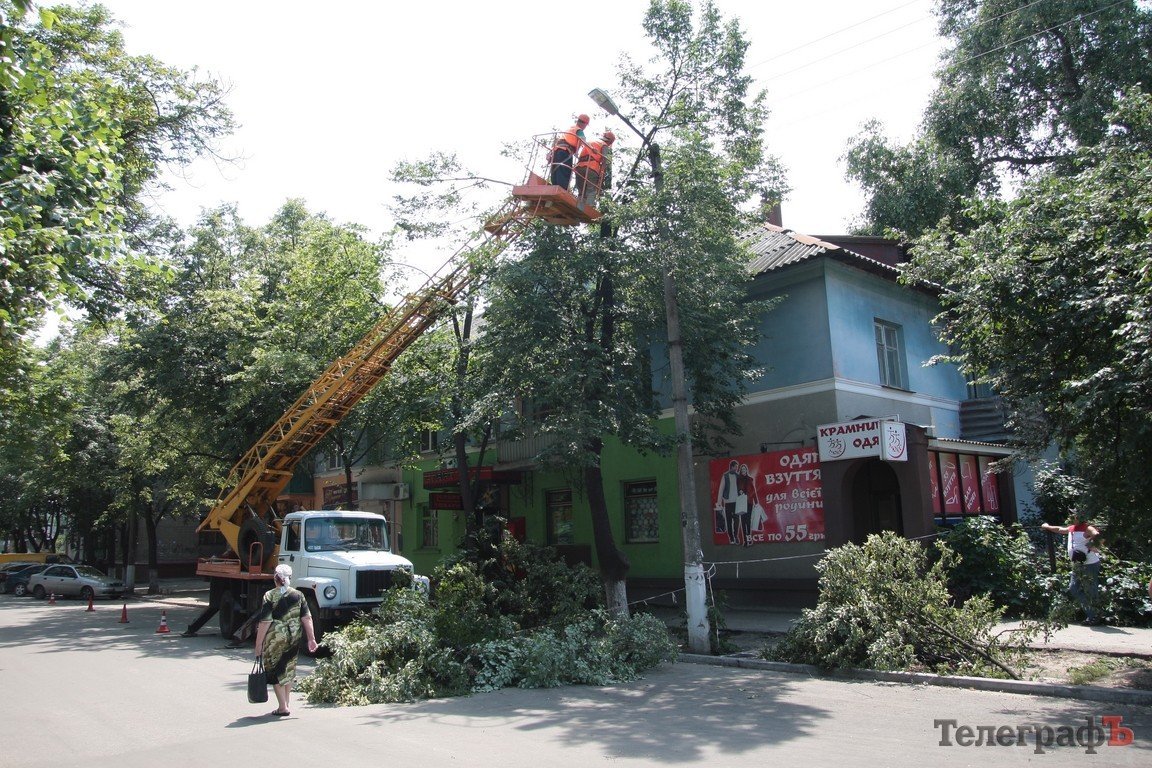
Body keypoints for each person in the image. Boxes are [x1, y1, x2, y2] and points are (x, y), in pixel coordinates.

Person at [253, 564, 319, 716]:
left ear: (275, 578)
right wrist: (311, 638)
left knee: (275, 669)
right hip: (294, 636)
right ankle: (286, 703)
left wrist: (258, 644)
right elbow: (307, 617)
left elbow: (265, 622)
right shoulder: (298, 595)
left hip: (275, 638)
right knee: (288, 668)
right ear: (289, 577)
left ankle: (283, 706)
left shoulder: (269, 596)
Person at [1041, 510, 1104, 625]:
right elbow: (1060, 529)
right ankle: (1093, 612)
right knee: (1073, 589)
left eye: (1073, 515)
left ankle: (1094, 616)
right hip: (1078, 564)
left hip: (1090, 564)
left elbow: (1097, 536)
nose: (1071, 517)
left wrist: (1092, 545)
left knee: (1091, 590)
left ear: (1079, 517)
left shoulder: (1087, 528)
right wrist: (1047, 527)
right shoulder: (1072, 528)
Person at [574, 130, 614, 209]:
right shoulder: (604, 145)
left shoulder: (592, 142)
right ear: (610, 141)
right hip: (591, 168)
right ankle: (589, 209)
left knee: (581, 192)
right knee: (591, 190)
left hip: (579, 167)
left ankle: (578, 208)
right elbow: (604, 160)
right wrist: (601, 176)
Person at [549, 113, 589, 190]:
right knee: (565, 172)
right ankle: (560, 191)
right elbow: (583, 141)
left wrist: (550, 153)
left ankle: (554, 189)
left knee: (556, 171)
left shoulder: (570, 129)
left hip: (556, 151)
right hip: (565, 152)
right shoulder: (578, 130)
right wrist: (591, 149)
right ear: (585, 124)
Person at [715, 460, 740, 545]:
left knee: (737, 520)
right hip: (728, 502)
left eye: (737, 467)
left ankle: (736, 536)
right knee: (729, 521)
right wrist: (719, 502)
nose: (737, 468)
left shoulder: (738, 476)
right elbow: (721, 489)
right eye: (736, 467)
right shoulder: (725, 476)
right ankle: (731, 537)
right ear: (732, 467)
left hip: (737, 502)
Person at [736, 463, 759, 547]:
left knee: (748, 521)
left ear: (746, 470)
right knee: (742, 521)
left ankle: (749, 539)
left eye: (744, 469)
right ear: (740, 471)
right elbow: (737, 489)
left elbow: (753, 491)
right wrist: (740, 491)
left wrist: (756, 502)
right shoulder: (738, 479)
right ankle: (745, 540)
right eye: (742, 470)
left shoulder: (750, 479)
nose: (743, 471)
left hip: (749, 502)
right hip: (741, 502)